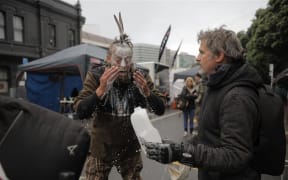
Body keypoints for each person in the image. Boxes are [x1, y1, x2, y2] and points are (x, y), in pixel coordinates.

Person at [145, 26, 263, 180]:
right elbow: (208, 137)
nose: (197, 58)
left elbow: (236, 155)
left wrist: (183, 153)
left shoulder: (236, 96)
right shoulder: (217, 86)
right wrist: (177, 148)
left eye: (201, 52)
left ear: (219, 55)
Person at [73, 13, 165, 180]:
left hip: (130, 147)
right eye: (118, 59)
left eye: (128, 60)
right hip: (101, 146)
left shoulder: (141, 75)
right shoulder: (96, 75)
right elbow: (80, 111)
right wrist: (100, 90)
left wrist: (146, 92)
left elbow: (160, 109)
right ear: (108, 58)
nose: (123, 65)